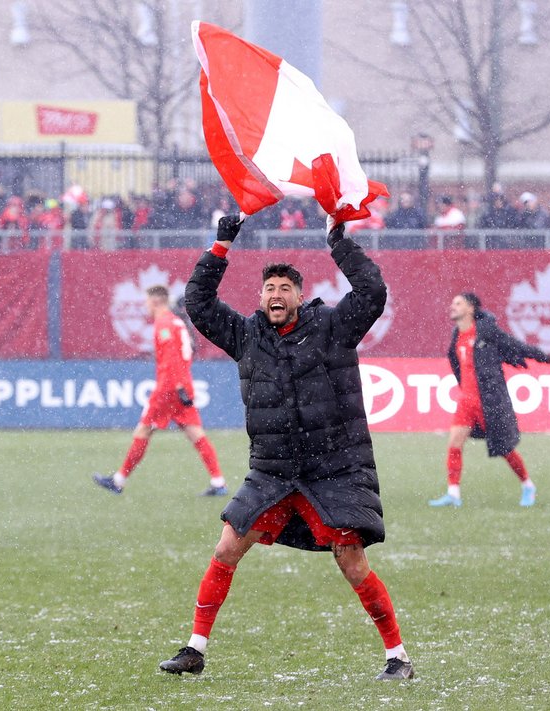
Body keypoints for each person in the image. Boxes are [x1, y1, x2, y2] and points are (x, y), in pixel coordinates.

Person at [157, 214, 414, 681]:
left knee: (351, 560)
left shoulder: (333, 328)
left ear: (299, 295)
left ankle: (397, 657)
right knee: (228, 545)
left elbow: (372, 293)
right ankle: (194, 649)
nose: (275, 294)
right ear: (261, 298)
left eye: (284, 288)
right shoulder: (246, 335)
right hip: (272, 470)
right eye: (269, 288)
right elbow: (198, 302)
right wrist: (220, 246)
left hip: (333, 469)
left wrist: (339, 245)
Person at [93, 285, 227, 496]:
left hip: (169, 387)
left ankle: (118, 481)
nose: (145, 306)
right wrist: (183, 385)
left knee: (144, 430)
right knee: (195, 432)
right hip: (183, 383)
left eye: (146, 301)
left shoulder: (164, 323)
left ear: (155, 301)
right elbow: (189, 350)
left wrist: (177, 387)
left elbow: (172, 358)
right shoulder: (177, 322)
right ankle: (218, 481)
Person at [429, 292, 550, 509]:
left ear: (470, 309)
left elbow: (512, 344)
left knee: (504, 448)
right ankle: (453, 493)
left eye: (457, 303)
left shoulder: (486, 331)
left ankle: (527, 484)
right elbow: (457, 364)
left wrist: (538, 354)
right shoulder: (457, 335)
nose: (452, 307)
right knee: (454, 443)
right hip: (466, 400)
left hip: (489, 402)